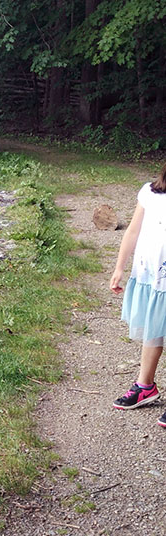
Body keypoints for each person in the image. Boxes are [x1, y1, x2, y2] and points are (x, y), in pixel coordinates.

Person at [110, 164, 166, 429]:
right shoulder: (149, 193)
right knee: (152, 332)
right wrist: (120, 268)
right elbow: (132, 231)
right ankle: (145, 386)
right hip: (149, 277)